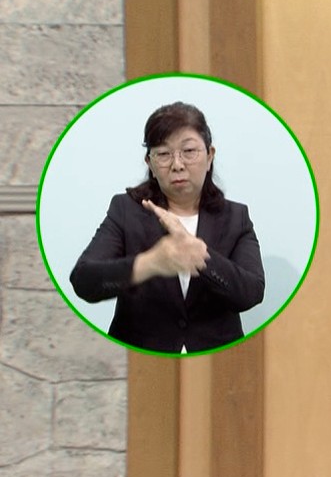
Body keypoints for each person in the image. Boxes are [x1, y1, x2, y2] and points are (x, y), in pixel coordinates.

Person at [70, 101, 265, 354]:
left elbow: (251, 293)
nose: (177, 164)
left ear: (210, 156)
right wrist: (150, 263)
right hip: (140, 358)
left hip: (216, 361)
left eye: (189, 151)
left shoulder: (236, 217)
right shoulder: (126, 210)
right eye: (163, 154)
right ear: (149, 163)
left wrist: (200, 256)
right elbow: (83, 280)